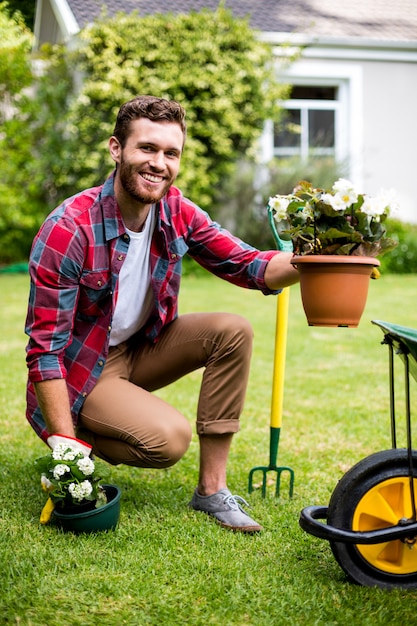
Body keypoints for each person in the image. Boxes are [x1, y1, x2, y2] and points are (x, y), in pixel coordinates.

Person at [25, 95, 299, 533]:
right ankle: (75, 435)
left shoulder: (176, 211)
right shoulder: (69, 229)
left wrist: (324, 257)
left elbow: (251, 266)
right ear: (117, 149)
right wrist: (66, 450)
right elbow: (45, 350)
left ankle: (212, 491)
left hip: (143, 347)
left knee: (232, 330)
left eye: (171, 153)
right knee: (168, 440)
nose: (159, 163)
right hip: (86, 369)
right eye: (147, 148)